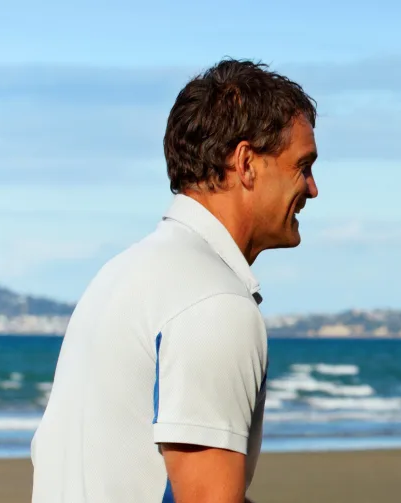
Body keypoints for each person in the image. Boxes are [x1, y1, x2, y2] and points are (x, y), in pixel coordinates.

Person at [31, 58, 319, 503]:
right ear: (246, 163)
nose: (313, 188)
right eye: (302, 166)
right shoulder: (213, 302)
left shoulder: (122, 275)